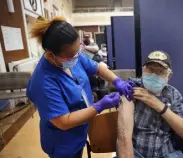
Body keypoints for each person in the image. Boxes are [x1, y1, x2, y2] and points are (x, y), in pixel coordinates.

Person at [27, 16, 135, 158]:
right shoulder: (43, 81)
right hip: (62, 141)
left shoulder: (72, 56)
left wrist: (117, 81)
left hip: (80, 130)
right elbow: (64, 122)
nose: (77, 57)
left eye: (78, 51)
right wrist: (99, 106)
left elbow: (97, 68)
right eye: (72, 55)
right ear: (51, 55)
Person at [117, 51, 183, 158]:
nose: (154, 75)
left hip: (166, 153)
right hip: (137, 153)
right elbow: (124, 139)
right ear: (143, 70)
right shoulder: (132, 88)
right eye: (151, 69)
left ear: (169, 75)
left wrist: (157, 104)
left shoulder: (172, 94)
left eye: (160, 71)